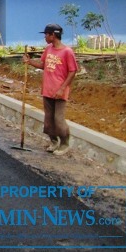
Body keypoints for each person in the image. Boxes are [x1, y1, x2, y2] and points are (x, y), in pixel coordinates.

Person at [23, 24, 78, 155]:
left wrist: (62, 88)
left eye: (46, 34)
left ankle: (64, 144)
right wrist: (29, 62)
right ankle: (53, 141)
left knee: (58, 119)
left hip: (60, 91)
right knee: (48, 120)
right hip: (47, 89)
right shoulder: (48, 49)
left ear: (53, 35)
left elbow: (73, 71)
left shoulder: (67, 52)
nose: (45, 37)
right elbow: (43, 65)